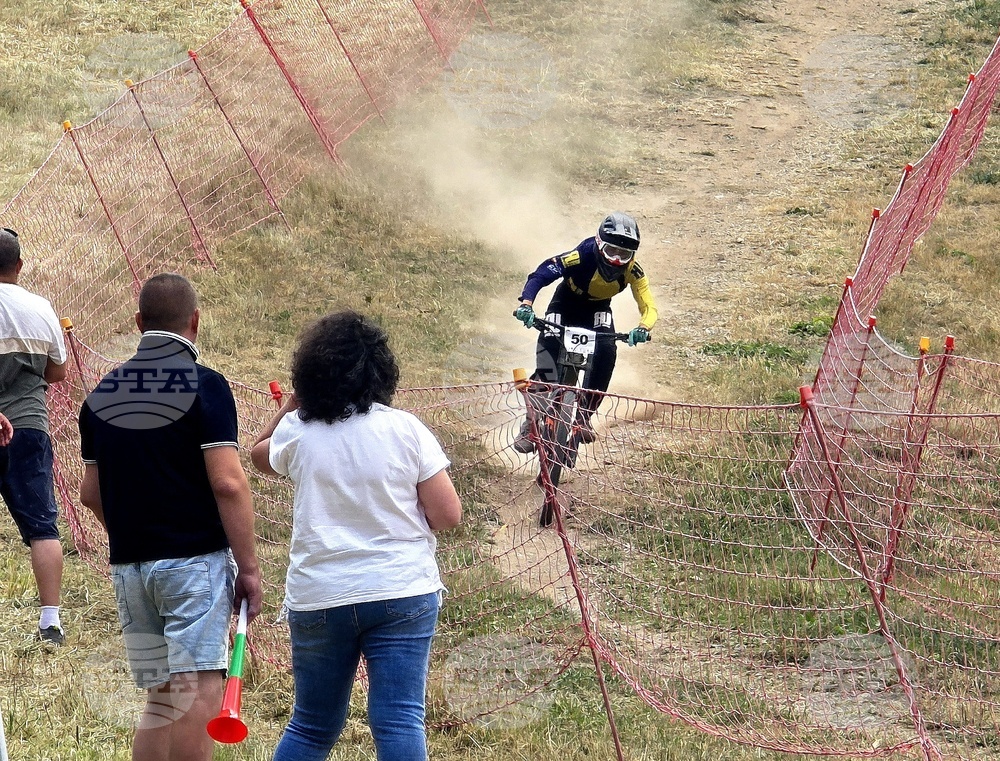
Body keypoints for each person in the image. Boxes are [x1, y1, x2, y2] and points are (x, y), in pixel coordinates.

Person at [250, 310, 462, 761]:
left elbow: (257, 456)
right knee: (400, 720)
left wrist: (292, 405)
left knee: (310, 726)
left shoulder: (299, 432)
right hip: (401, 589)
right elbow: (447, 515)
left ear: (309, 375)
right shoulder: (406, 429)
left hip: (319, 594)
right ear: (381, 371)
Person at [78, 272, 262, 761]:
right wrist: (250, 567)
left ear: (138, 323)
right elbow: (227, 481)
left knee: (160, 697)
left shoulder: (101, 394)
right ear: (195, 322)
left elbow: (89, 493)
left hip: (129, 566)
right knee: (198, 688)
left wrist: (134, 536)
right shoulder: (207, 386)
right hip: (193, 563)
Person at [512, 211, 658, 452]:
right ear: (599, 245)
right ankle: (530, 424)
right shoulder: (579, 256)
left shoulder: (634, 271)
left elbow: (649, 305)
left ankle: (584, 417)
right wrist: (527, 303)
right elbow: (542, 273)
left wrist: (643, 327)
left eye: (625, 255)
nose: (617, 261)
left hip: (598, 310)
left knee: (607, 351)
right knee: (547, 353)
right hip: (565, 304)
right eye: (612, 251)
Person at [0, 226, 69, 645]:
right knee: (42, 525)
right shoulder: (39, 307)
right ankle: (50, 620)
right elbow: (58, 372)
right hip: (28, 425)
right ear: (20, 265)